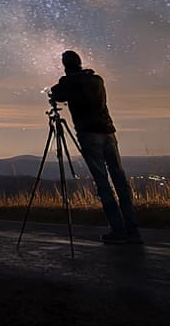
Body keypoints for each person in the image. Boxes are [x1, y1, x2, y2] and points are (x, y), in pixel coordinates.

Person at [48, 49, 142, 244]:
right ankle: (133, 229)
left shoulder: (68, 82)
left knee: (103, 183)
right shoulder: (97, 80)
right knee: (120, 179)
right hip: (108, 132)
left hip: (89, 134)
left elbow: (57, 94)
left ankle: (118, 229)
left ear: (66, 65)